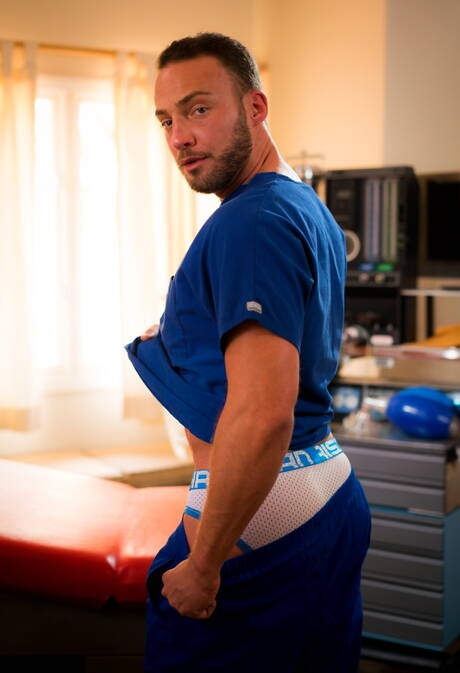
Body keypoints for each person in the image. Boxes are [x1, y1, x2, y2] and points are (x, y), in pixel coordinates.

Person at [125, 32, 371, 673]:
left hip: (262, 508)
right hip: (325, 486)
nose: (180, 136)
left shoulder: (250, 220)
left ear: (255, 107)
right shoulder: (300, 204)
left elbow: (262, 415)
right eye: (166, 119)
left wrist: (203, 566)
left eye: (199, 109)